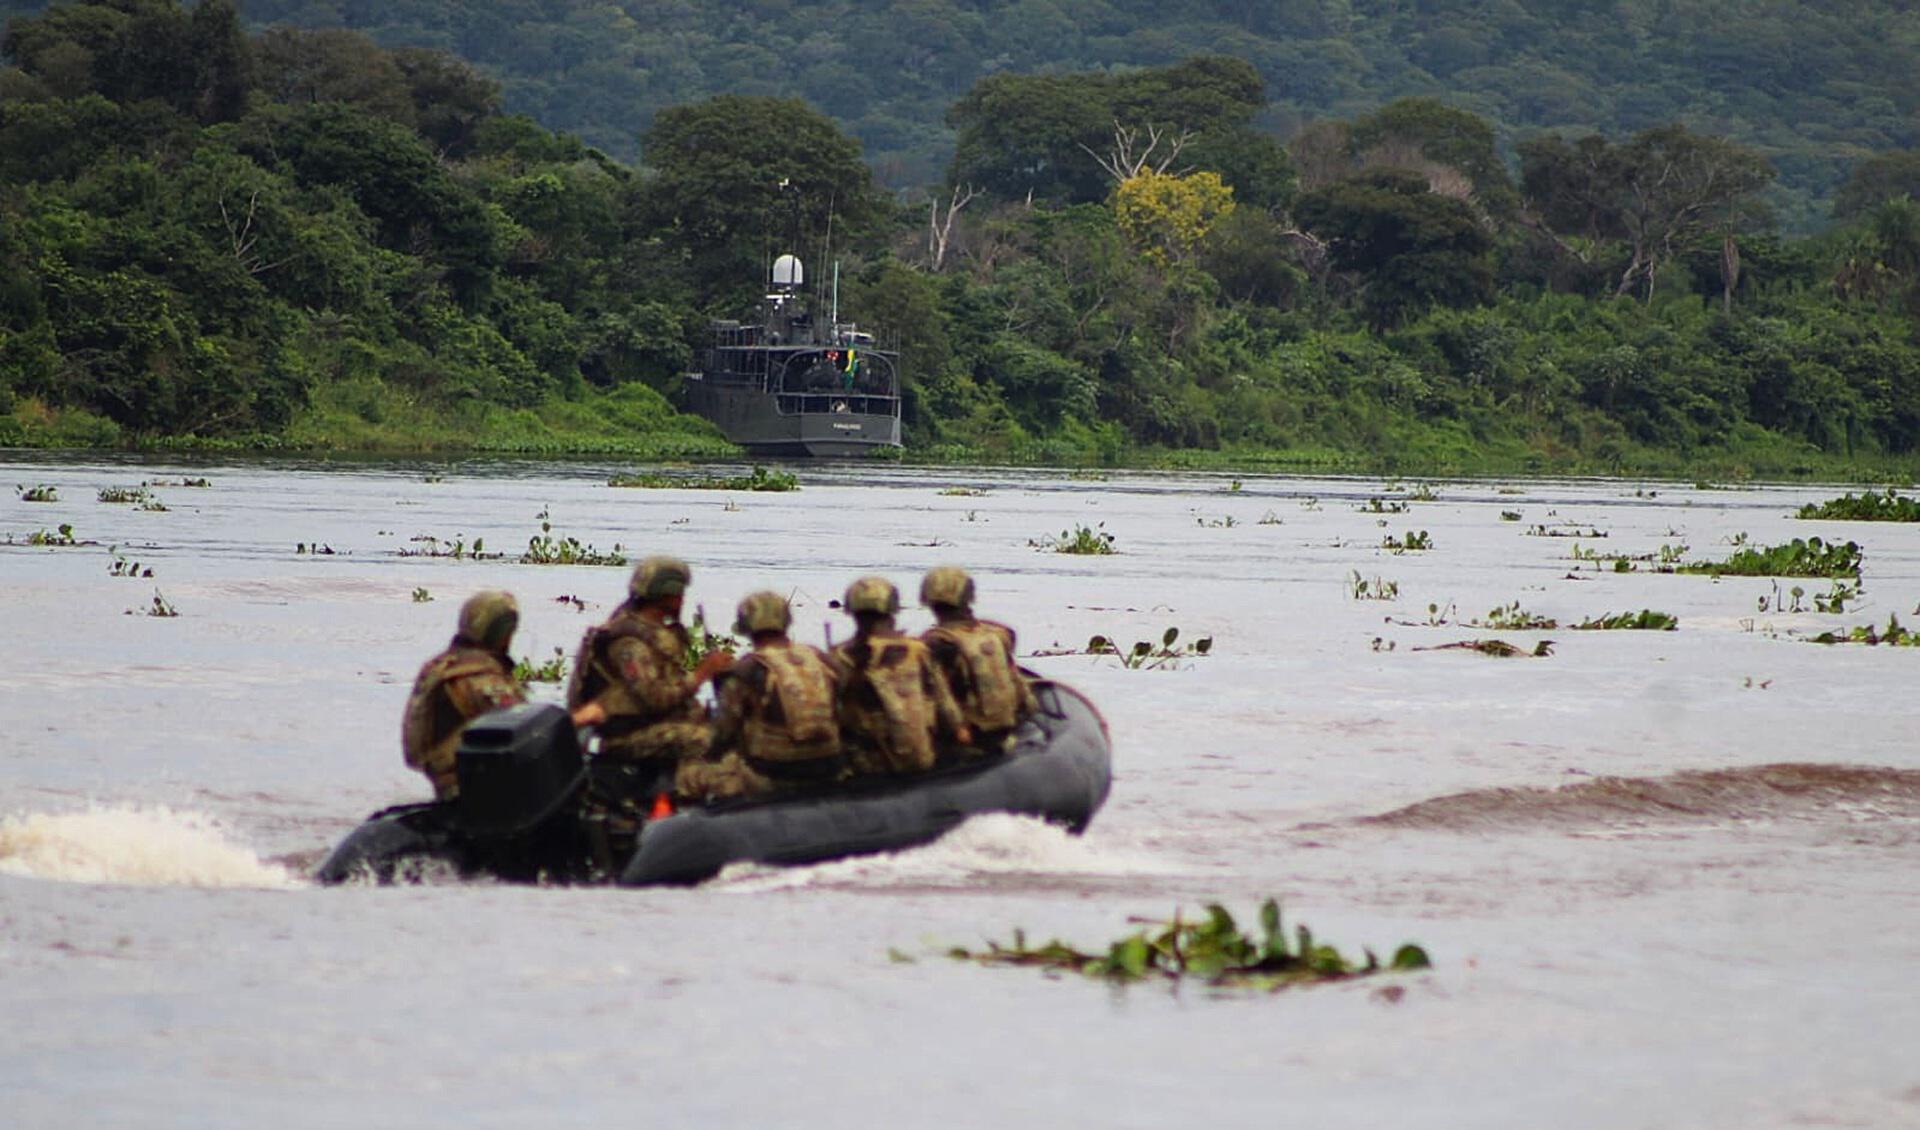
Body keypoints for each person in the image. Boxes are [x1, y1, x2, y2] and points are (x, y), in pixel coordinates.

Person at [567, 556, 733, 861]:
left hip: (651, 726)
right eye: (678, 593)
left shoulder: (653, 631)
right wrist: (701, 674)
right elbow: (654, 697)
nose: (681, 600)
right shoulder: (629, 641)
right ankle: (685, 809)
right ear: (666, 595)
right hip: (625, 736)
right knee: (706, 741)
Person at [677, 591, 841, 802]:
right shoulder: (821, 659)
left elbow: (722, 736)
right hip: (829, 767)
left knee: (689, 773)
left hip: (772, 776)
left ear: (746, 627)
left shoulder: (746, 670)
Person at [829, 576, 971, 777]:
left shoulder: (841, 656)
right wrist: (959, 731)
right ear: (892, 609)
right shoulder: (919, 650)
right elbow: (947, 708)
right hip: (924, 758)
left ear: (851, 610)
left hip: (869, 765)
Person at [400, 590, 526, 800]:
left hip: (449, 777)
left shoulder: (440, 665)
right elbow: (520, 719)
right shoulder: (476, 674)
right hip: (472, 784)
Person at [918, 566, 1036, 754]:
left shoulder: (935, 644)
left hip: (969, 740)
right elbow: (1023, 692)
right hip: (1005, 730)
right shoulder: (999, 634)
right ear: (969, 596)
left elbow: (940, 698)